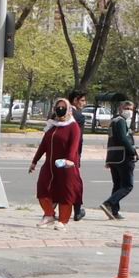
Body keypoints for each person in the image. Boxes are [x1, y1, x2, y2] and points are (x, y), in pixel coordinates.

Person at [30, 98, 84, 228]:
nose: (60, 109)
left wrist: (69, 160)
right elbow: (43, 145)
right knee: (42, 189)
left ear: (69, 109)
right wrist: (34, 161)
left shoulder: (73, 126)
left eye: (63, 107)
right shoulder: (52, 126)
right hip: (49, 166)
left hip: (66, 166)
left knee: (65, 194)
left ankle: (63, 221)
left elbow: (74, 146)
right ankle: (49, 215)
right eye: (58, 107)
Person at [102, 99, 139, 220]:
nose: (129, 111)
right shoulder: (121, 121)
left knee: (117, 185)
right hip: (123, 157)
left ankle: (114, 211)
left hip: (113, 158)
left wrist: (108, 160)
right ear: (120, 109)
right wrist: (133, 152)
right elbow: (123, 139)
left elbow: (110, 141)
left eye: (131, 109)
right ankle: (109, 203)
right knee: (127, 185)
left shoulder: (114, 121)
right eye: (126, 108)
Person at [66, 89, 91, 220]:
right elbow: (78, 139)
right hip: (72, 155)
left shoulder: (58, 112)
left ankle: (50, 211)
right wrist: (78, 156)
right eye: (82, 100)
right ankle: (77, 211)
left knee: (58, 181)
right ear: (75, 100)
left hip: (57, 153)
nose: (84, 103)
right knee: (75, 183)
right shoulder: (78, 116)